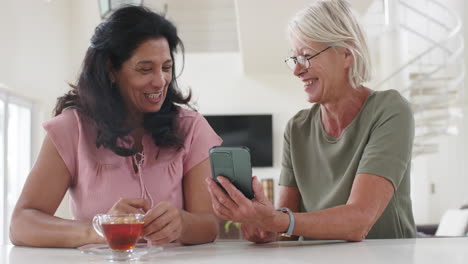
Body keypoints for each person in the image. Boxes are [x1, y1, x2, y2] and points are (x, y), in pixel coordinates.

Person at [10, 6, 222, 247]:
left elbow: (209, 225)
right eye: (145, 69)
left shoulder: (191, 128)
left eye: (166, 67)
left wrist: (182, 224)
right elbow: (21, 224)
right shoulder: (72, 129)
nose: (160, 80)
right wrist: (102, 228)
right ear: (111, 70)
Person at [207, 0, 415, 242]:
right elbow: (286, 227)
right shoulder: (297, 128)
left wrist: (276, 220)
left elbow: (359, 221)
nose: (297, 70)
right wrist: (264, 226)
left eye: (306, 56)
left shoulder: (389, 110)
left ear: (346, 54)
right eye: (294, 59)